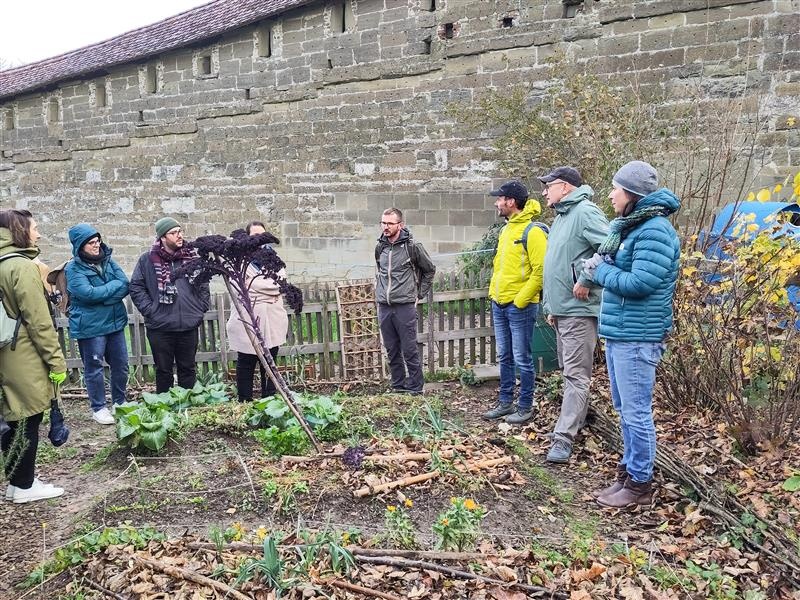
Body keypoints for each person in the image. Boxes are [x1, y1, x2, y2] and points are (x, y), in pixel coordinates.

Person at [583, 161, 681, 508]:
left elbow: (641, 283)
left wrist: (601, 272)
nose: (610, 194)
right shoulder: (630, 228)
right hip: (623, 332)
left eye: (615, 188)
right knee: (626, 410)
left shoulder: (653, 231)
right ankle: (628, 472)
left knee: (636, 412)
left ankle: (640, 484)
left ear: (633, 194)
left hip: (639, 336)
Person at [538, 167, 609, 463]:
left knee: (577, 376)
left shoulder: (585, 212)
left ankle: (564, 439)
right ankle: (572, 425)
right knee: (569, 374)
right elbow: (555, 265)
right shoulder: (562, 217)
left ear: (565, 187)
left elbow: (611, 247)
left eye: (548, 186)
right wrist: (550, 307)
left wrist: (587, 279)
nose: (544, 192)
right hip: (563, 310)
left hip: (580, 310)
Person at [0, 209, 66, 503]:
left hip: (6, 352)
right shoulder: (21, 266)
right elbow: (38, 321)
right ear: (19, 230)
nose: (37, 234)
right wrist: (56, 360)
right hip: (23, 351)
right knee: (28, 416)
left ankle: (16, 483)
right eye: (34, 228)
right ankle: (25, 486)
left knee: (15, 418)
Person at [483, 181, 547, 425]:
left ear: (510, 201)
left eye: (499, 198)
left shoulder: (533, 231)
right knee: (504, 356)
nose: (496, 203)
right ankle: (505, 402)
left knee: (523, 358)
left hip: (519, 306)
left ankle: (525, 406)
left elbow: (541, 270)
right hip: (499, 303)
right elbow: (500, 267)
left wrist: (520, 300)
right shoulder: (506, 229)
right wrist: (494, 293)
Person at [129, 217, 210, 393]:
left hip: (188, 324)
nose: (179, 236)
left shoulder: (192, 258)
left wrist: (201, 306)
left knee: (188, 369)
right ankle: (165, 408)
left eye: (180, 231)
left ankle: (187, 408)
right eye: (173, 233)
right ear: (162, 238)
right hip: (160, 325)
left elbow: (203, 283)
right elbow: (136, 286)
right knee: (163, 371)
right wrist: (150, 311)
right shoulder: (147, 260)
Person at [66, 224, 130, 425]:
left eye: (98, 241)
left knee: (121, 365)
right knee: (94, 367)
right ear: (80, 246)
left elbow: (125, 285)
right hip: (91, 327)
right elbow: (88, 294)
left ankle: (119, 402)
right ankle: (99, 408)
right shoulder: (73, 269)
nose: (96, 246)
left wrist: (103, 296)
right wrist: (110, 291)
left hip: (114, 323)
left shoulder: (108, 261)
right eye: (91, 243)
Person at [375, 208, 436, 395]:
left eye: (390, 223)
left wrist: (419, 295)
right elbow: (381, 270)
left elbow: (429, 270)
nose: (385, 227)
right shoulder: (380, 247)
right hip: (384, 306)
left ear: (400, 225)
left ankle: (416, 388)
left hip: (405, 306)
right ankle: (398, 386)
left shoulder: (413, 247)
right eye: (383, 223)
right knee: (392, 349)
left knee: (409, 349)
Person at [226, 221, 289, 401]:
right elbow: (240, 287)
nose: (259, 240)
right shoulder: (238, 261)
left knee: (270, 361)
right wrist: (266, 289)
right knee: (246, 361)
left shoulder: (274, 259)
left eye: (262, 235)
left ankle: (269, 399)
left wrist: (255, 289)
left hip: (273, 318)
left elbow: (279, 285)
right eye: (254, 236)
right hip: (248, 318)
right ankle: (244, 400)